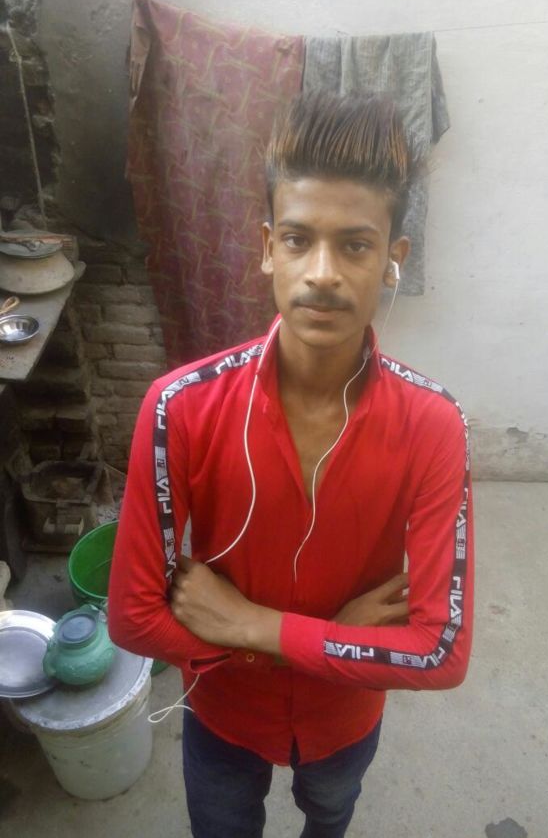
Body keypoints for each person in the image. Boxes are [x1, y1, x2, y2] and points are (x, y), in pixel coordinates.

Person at [108, 91, 474, 838]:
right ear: (268, 247)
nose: (323, 273)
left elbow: (442, 652)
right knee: (222, 826)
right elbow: (132, 616)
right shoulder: (180, 407)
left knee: (329, 817)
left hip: (343, 721)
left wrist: (253, 625)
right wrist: (325, 638)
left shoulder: (434, 426)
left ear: (394, 261)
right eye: (300, 240)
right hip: (223, 714)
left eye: (356, 245)